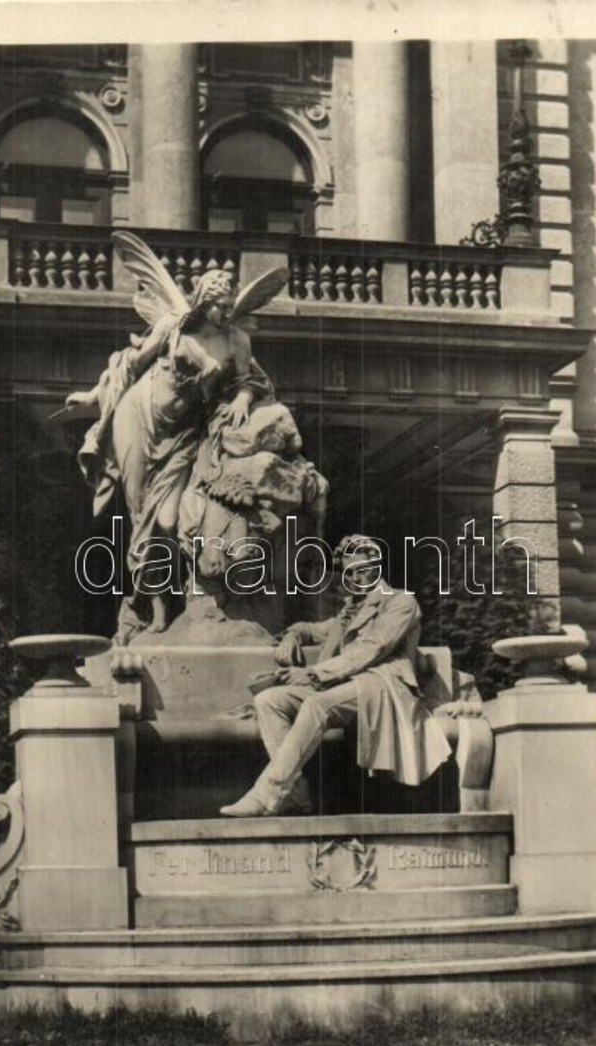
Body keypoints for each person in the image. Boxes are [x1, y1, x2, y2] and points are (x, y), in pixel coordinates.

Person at [66, 264, 274, 641]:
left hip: (181, 434)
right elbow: (130, 365)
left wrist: (243, 398)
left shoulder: (237, 340)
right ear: (203, 301)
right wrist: (94, 398)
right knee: (142, 516)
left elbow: (250, 381)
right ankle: (157, 605)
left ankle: (150, 599)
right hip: (139, 417)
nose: (226, 313)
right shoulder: (174, 327)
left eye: (230, 305)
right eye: (220, 306)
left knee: (168, 520)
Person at [220, 535, 452, 817]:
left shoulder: (401, 602)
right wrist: (292, 635)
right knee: (270, 700)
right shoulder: (350, 610)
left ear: (378, 566)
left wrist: (314, 673)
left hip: (382, 684)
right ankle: (294, 795)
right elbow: (314, 629)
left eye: (363, 568)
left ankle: (267, 794)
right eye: (350, 572)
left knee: (316, 705)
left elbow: (372, 648)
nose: (357, 577)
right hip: (344, 685)